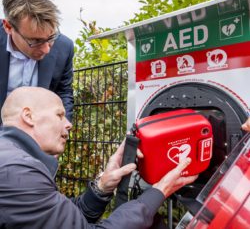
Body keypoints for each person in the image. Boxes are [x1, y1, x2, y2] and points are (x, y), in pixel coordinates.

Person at [0, 86, 197, 229]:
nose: (68, 124)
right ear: (29, 116)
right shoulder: (18, 171)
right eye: (60, 115)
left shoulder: (12, 159)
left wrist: (101, 187)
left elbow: (61, 220)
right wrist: (158, 192)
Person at [0, 0, 74, 123]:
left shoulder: (65, 47)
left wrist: (61, 125)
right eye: (35, 41)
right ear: (8, 27)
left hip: (38, 137)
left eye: (51, 37)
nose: (46, 49)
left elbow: (64, 92)